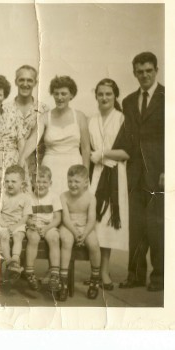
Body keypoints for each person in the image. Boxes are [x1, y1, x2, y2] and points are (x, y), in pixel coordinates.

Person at [120, 52, 164, 292]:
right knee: (136, 227)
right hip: (134, 174)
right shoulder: (128, 101)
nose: (144, 75)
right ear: (134, 72)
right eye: (140, 71)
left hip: (159, 174)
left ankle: (159, 279)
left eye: (148, 70)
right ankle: (135, 276)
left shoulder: (168, 97)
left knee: (157, 226)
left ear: (156, 70)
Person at [88, 78, 130, 289]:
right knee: (92, 223)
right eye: (101, 94)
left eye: (109, 94)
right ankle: (94, 270)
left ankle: (104, 271)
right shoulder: (91, 121)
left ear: (115, 96)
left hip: (115, 175)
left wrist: (102, 154)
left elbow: (126, 152)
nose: (104, 98)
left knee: (107, 225)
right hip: (95, 175)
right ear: (95, 95)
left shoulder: (122, 118)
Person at [36, 76, 90, 198]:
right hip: (51, 165)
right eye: (56, 94)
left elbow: (86, 149)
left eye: (64, 94)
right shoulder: (45, 117)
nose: (59, 97)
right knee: (50, 205)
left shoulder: (80, 116)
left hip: (74, 165)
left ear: (71, 95)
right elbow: (33, 141)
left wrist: (85, 174)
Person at [60, 165, 101, 301]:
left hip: (86, 227)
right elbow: (65, 218)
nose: (73, 185)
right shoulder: (64, 196)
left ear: (86, 183)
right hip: (69, 226)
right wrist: (74, 231)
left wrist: (84, 234)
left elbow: (92, 219)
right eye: (70, 181)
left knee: (94, 244)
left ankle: (95, 278)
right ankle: (63, 281)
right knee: (66, 241)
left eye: (77, 182)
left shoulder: (91, 198)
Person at [23, 166, 61, 292]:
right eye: (38, 181)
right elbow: (26, 217)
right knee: (33, 238)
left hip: (49, 225)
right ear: (33, 182)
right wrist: (30, 223)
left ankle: (55, 272)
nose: (41, 185)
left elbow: (57, 218)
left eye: (44, 182)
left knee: (54, 237)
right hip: (33, 225)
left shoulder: (54, 197)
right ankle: (29, 271)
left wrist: (47, 228)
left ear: (50, 183)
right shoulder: (28, 197)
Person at [11, 65, 50, 174]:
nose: (25, 84)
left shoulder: (44, 110)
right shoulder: (4, 109)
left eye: (29, 80)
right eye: (21, 80)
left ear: (35, 83)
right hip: (11, 166)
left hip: (36, 167)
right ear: (15, 82)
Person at [0, 165, 28, 281]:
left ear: (22, 184)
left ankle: (15, 259)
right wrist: (2, 223)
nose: (9, 184)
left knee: (18, 236)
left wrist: (15, 226)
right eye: (7, 181)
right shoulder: (2, 196)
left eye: (14, 181)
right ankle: (9, 261)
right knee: (3, 236)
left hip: (18, 224)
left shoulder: (25, 198)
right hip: (4, 223)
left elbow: (25, 217)